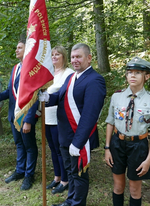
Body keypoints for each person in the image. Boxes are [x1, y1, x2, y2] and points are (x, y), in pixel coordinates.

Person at [41, 43, 106, 206]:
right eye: (73, 57)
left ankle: (77, 203)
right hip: (64, 135)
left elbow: (90, 116)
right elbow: (61, 99)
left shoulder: (95, 80)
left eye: (79, 57)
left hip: (79, 138)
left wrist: (78, 143)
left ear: (89, 58)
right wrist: (47, 98)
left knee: (79, 174)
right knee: (70, 173)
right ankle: (70, 201)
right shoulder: (71, 77)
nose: (75, 60)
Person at [0, 40, 39, 190]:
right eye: (16, 47)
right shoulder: (15, 69)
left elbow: (35, 95)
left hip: (25, 116)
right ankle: (20, 171)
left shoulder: (33, 68)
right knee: (19, 144)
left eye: (20, 47)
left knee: (30, 146)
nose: (16, 50)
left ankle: (29, 175)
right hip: (14, 115)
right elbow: (10, 92)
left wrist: (29, 120)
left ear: (27, 49)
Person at [105, 57, 150, 206]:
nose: (132, 75)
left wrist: (148, 160)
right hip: (117, 144)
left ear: (147, 76)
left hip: (138, 146)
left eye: (138, 72)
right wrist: (107, 148)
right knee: (118, 186)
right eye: (129, 72)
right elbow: (110, 122)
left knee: (135, 189)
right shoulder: (117, 97)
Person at [45, 46, 74, 194]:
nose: (55, 57)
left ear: (64, 57)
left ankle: (65, 180)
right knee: (52, 149)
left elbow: (63, 94)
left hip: (59, 118)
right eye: (52, 55)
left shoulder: (68, 73)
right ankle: (57, 177)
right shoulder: (48, 73)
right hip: (47, 117)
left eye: (58, 54)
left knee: (60, 151)